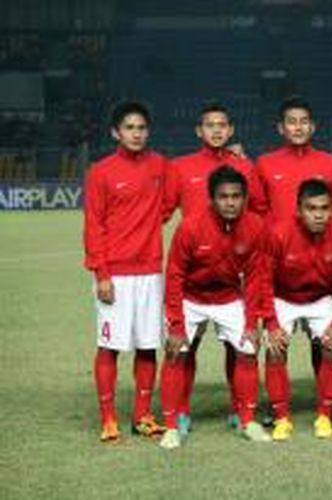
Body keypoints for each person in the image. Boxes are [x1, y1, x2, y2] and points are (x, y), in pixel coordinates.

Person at [163, 101, 263, 433]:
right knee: (185, 348)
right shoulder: (179, 167)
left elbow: (259, 210)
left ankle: (240, 409)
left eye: (223, 125)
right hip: (194, 270)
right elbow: (161, 211)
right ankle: (181, 411)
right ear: (199, 130)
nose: (217, 130)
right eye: (210, 125)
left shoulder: (245, 167)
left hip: (231, 275)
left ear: (231, 130)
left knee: (237, 346)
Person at [159, 166, 271, 449]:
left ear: (245, 198)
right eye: (223, 197)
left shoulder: (256, 226)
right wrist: (176, 324)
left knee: (247, 349)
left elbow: (257, 277)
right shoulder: (190, 227)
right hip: (190, 298)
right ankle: (173, 424)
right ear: (212, 198)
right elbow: (174, 276)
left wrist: (251, 323)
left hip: (228, 297)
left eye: (236, 196)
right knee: (177, 353)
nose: (230, 202)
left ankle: (246, 420)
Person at [83, 101, 167, 442]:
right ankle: (108, 418)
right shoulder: (100, 172)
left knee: (148, 346)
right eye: (130, 128)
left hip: (150, 272)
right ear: (116, 132)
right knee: (110, 346)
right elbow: (93, 226)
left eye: (142, 128)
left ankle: (142, 415)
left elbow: (178, 195)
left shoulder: (160, 165)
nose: (137, 133)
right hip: (114, 275)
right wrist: (101, 272)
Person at [261, 179, 332, 440]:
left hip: (319, 298)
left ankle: (325, 414)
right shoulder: (279, 233)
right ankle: (281, 417)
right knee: (274, 349)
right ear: (298, 209)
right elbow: (263, 281)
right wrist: (271, 324)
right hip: (284, 298)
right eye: (311, 208)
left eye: (324, 208)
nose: (318, 214)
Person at [253, 96, 332, 223]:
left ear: (312, 127)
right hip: (278, 241)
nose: (298, 128)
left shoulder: (330, 162)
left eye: (304, 122)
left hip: (318, 240)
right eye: (292, 122)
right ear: (281, 128)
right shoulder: (264, 163)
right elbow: (257, 210)